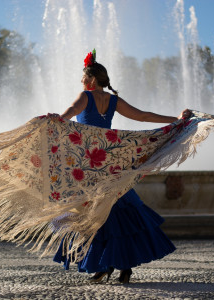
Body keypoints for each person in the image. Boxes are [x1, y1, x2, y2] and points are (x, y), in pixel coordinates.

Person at [51, 50, 191, 284]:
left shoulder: (85, 96)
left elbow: (70, 113)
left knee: (94, 214)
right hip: (110, 162)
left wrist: (57, 118)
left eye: (83, 79)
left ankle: (104, 265)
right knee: (118, 210)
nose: (82, 83)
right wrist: (175, 120)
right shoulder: (113, 100)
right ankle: (122, 266)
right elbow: (144, 116)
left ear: (91, 80)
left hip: (91, 165)